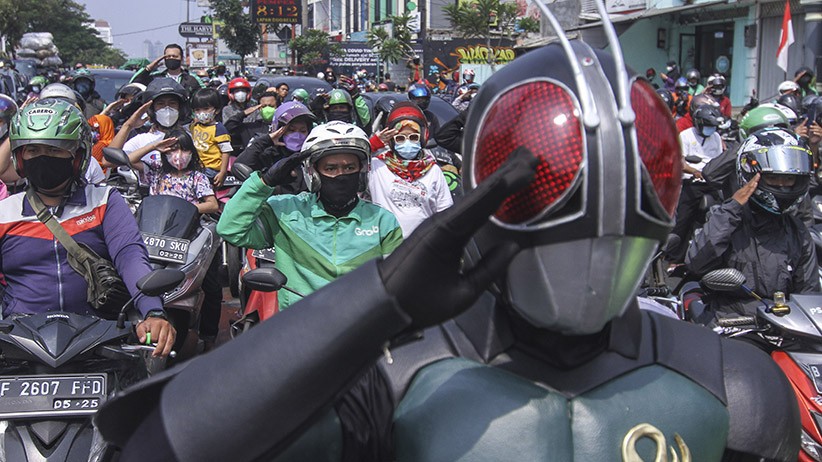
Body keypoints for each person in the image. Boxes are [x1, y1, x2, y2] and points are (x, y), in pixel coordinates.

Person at [98, 29, 799, 462]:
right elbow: (157, 446)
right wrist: (380, 302)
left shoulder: (738, 386)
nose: (587, 240)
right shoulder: (394, 380)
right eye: (553, 187)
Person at [1, 99, 175, 357]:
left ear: (78, 157)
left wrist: (154, 311)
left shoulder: (104, 201)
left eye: (55, 150)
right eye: (33, 150)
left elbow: (130, 256)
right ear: (20, 158)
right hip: (18, 344)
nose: (43, 158)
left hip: (100, 338)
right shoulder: (6, 211)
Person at [218, 121, 402, 309]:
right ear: (313, 173)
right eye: (331, 168)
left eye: (349, 168)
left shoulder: (382, 221)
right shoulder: (286, 211)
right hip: (300, 325)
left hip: (363, 324)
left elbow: (397, 281)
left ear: (362, 171)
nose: (341, 175)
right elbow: (230, 229)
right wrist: (264, 183)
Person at [686, 127, 820, 318]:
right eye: (773, 178)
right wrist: (732, 208)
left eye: (788, 179)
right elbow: (697, 263)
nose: (781, 185)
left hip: (783, 324)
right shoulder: (727, 218)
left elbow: (808, 291)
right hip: (733, 322)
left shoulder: (797, 231)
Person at [123, 129, 222, 349]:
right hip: (154, 235)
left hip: (189, 236)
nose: (179, 154)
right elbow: (130, 159)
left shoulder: (198, 176)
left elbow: (212, 204)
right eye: (174, 149)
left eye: (184, 149)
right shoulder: (155, 173)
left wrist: (189, 209)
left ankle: (209, 336)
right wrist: (153, 147)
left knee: (211, 285)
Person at [368, 102, 453, 237]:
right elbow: (350, 161)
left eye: (413, 137)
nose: (407, 143)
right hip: (386, 249)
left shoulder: (433, 170)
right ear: (392, 141)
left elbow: (445, 212)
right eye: (400, 138)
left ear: (422, 138)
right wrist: (373, 143)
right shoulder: (377, 166)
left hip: (422, 248)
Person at [666, 104, 726, 263]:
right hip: (692, 182)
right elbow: (680, 162)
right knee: (684, 219)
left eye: (713, 127)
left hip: (712, 181)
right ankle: (674, 258)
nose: (711, 130)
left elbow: (719, 160)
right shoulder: (685, 136)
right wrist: (694, 171)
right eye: (708, 126)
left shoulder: (717, 138)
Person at [235, 101, 316, 193]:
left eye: (302, 131)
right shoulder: (268, 153)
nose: (297, 135)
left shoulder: (312, 156)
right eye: (291, 130)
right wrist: (266, 141)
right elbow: (240, 165)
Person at [111, 78, 191, 165]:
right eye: (161, 104)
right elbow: (109, 162)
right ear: (151, 109)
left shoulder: (190, 138)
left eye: (172, 103)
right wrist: (128, 126)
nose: (167, 108)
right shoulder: (141, 141)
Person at [189, 87, 233, 187]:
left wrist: (222, 172)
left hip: (211, 170)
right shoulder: (195, 126)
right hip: (197, 166)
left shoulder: (219, 129)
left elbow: (226, 152)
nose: (201, 113)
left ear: (216, 110)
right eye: (197, 110)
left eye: (206, 109)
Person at [130, 44, 205, 96]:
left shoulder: (192, 79)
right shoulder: (155, 77)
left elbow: (205, 96)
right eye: (168, 56)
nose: (171, 58)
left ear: (181, 59)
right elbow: (134, 83)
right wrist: (150, 67)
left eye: (175, 56)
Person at [221, 77, 264, 153]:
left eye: (243, 91)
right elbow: (228, 127)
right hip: (235, 146)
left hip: (251, 146)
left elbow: (259, 127)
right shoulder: (227, 110)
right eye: (237, 91)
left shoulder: (254, 109)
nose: (240, 94)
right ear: (232, 94)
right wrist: (243, 114)